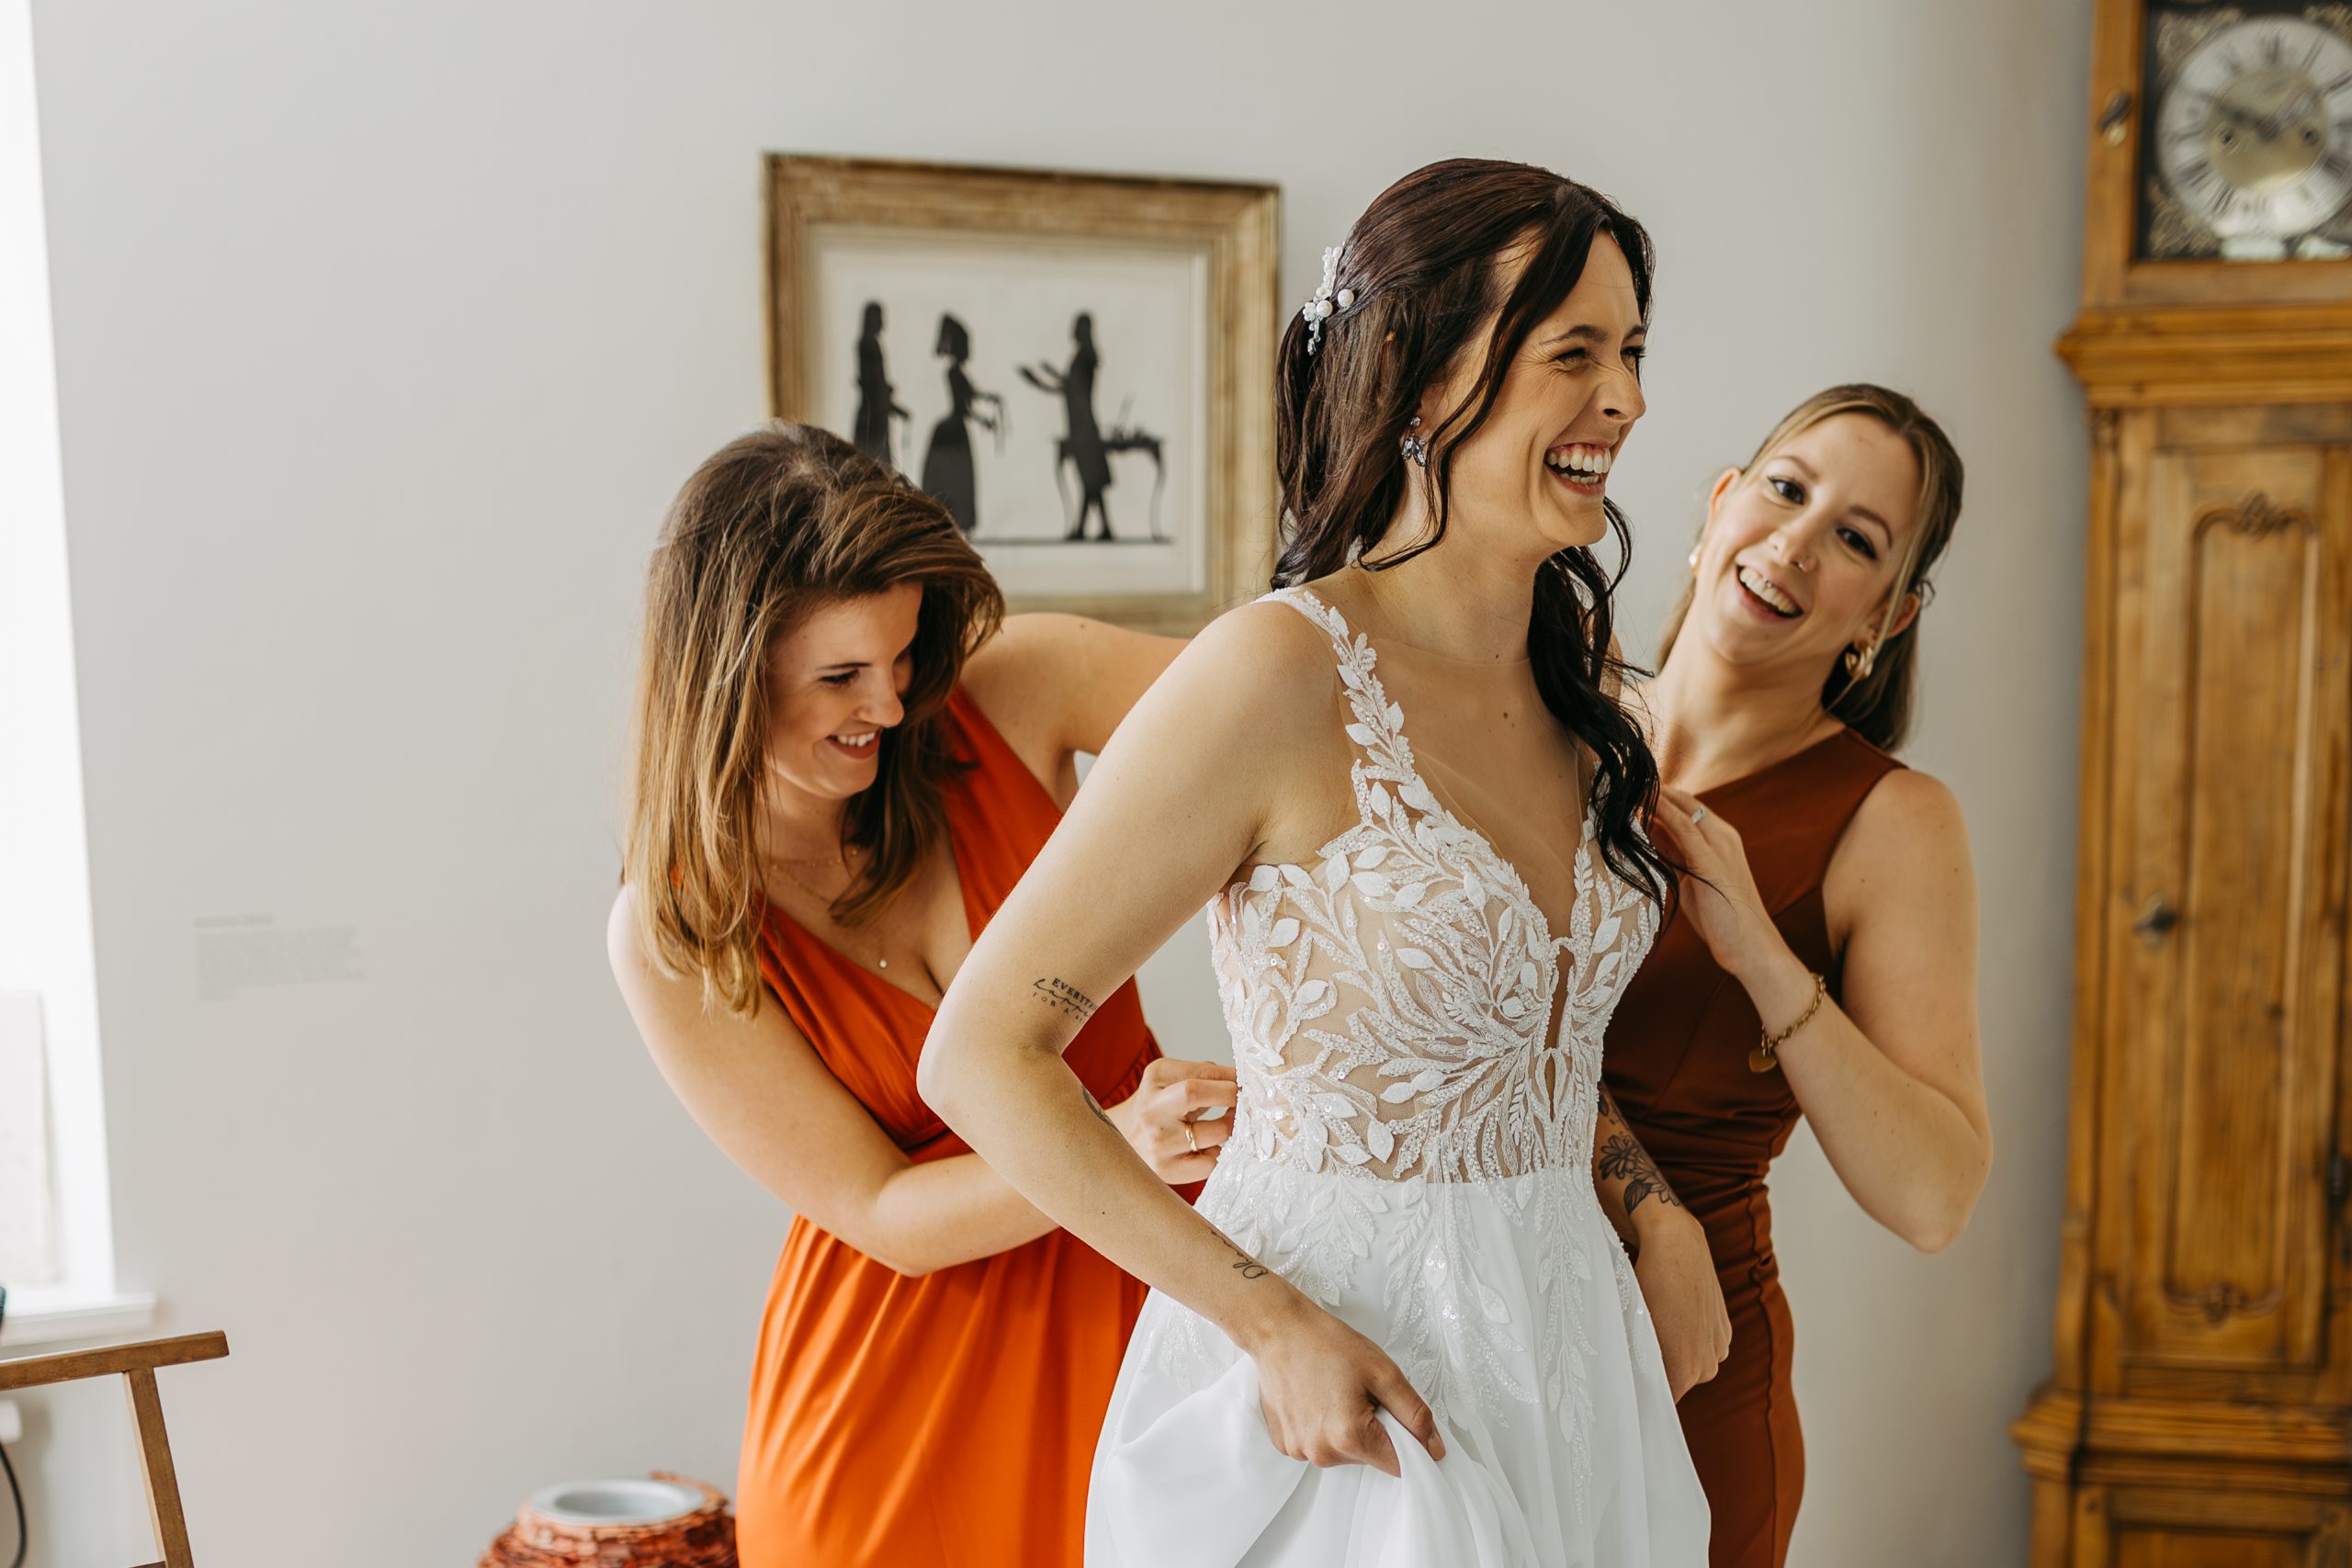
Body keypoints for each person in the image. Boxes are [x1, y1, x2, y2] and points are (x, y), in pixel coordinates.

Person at [920, 159, 1710, 1566]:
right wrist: (1267, 1319)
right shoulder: (1275, 676)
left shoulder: (1582, 691)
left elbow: (1519, 1039)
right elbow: (980, 1054)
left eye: (1634, 352)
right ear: (1418, 377)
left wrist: (1652, 1206)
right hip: (1343, 1381)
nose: (1628, 400)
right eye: (1575, 353)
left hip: (1575, 1356)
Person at [605, 422, 1231, 1568]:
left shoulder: (1019, 694)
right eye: (840, 677)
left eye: (900, 660)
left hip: (1145, 1328)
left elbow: (1300, 714)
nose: (890, 709)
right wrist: (1112, 1144)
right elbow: (885, 1214)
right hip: (886, 1436)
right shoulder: (675, 931)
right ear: (726, 675)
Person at [1602, 385, 1991, 1568]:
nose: (1796, 544)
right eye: (1785, 490)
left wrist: (1763, 959)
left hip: (1688, 1373)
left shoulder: (1893, 824)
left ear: (1887, 615)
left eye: (1856, 540)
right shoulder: (1546, 716)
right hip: (1470, 1326)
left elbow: (1933, 1199)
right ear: (1720, 504)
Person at [920, 312, 1003, 534]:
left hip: (953, 430)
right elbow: (963, 406)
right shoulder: (954, 373)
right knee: (954, 481)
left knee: (954, 480)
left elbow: (971, 395)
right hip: (954, 432)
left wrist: (988, 399)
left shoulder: (957, 373)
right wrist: (984, 420)